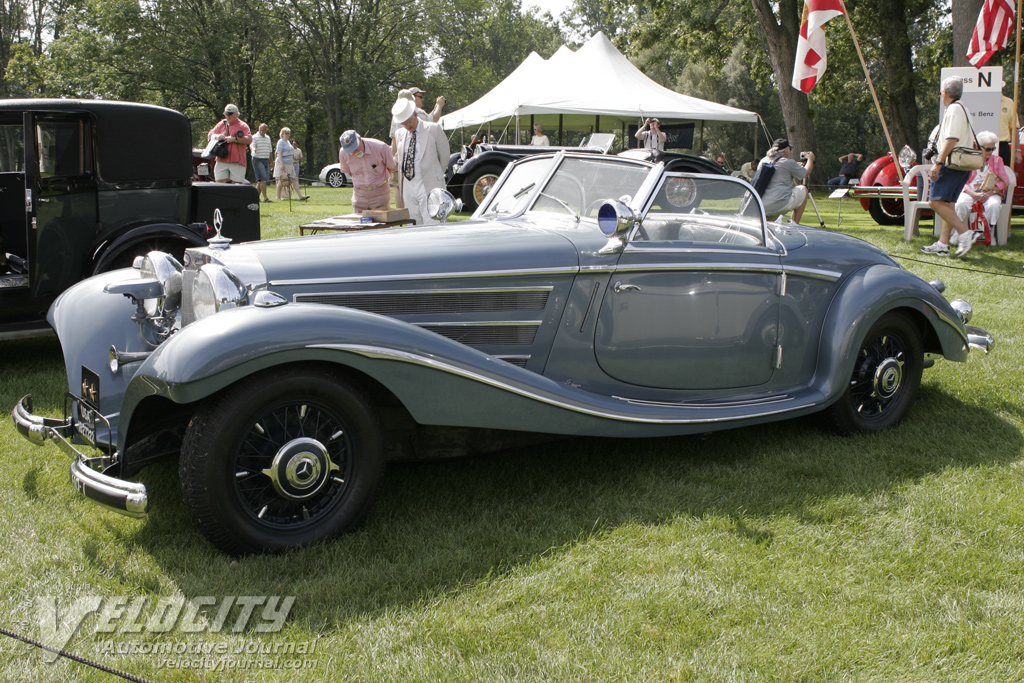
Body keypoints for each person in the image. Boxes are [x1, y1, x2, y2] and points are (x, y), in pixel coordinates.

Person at [921, 76, 980, 258]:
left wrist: (937, 163)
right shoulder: (962, 109)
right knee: (947, 203)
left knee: (935, 202)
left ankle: (965, 233)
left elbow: (951, 139)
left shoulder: (954, 109)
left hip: (951, 163)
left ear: (944, 93)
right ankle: (943, 244)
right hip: (961, 164)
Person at [392, 97, 449, 226]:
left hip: (428, 183)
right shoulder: (399, 134)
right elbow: (399, 157)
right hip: (408, 185)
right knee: (412, 222)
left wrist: (435, 175)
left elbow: (444, 156)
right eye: (403, 123)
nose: (407, 126)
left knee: (432, 222)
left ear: (415, 114)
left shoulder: (433, 129)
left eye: (409, 122)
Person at [952, 130, 1007, 240]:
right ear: (978, 147)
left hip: (990, 192)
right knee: (961, 204)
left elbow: (1004, 180)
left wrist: (991, 192)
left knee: (994, 205)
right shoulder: (969, 159)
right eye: (987, 149)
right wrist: (973, 194)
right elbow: (962, 181)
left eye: (993, 149)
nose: (990, 152)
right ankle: (958, 232)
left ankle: (989, 233)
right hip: (970, 191)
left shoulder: (997, 160)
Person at [757, 138, 815, 223]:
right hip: (779, 204)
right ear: (786, 150)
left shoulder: (763, 160)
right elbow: (805, 174)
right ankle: (795, 224)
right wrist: (810, 159)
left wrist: (795, 166)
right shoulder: (788, 162)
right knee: (804, 189)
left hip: (760, 205)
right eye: (790, 149)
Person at [338, 130, 396, 212]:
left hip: (380, 193)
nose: (354, 152)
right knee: (359, 223)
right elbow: (350, 172)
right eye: (351, 150)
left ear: (360, 139)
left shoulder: (380, 147)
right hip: (359, 194)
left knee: (381, 222)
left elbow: (391, 167)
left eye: (356, 148)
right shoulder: (343, 153)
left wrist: (378, 180)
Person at [207, 104, 252, 184]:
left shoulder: (243, 125)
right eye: (226, 114)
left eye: (230, 114)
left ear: (236, 115)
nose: (227, 116)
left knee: (236, 186)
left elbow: (249, 139)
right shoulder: (222, 124)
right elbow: (210, 134)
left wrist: (234, 139)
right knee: (219, 184)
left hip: (237, 161)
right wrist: (217, 136)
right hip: (221, 160)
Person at [274, 127, 308, 201]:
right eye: (286, 133)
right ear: (282, 134)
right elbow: (279, 153)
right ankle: (278, 196)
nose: (288, 135)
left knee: (294, 179)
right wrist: (282, 164)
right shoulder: (281, 142)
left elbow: (290, 151)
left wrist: (293, 156)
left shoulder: (288, 142)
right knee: (282, 180)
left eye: (288, 133)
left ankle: (300, 196)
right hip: (283, 163)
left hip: (290, 163)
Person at [249, 122, 273, 202]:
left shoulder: (268, 138)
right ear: (259, 129)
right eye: (261, 130)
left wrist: (271, 162)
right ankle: (265, 198)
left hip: (266, 160)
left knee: (261, 180)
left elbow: (270, 150)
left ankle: (255, 197)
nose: (262, 131)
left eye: (264, 130)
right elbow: (252, 145)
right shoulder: (255, 137)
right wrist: (253, 150)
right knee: (262, 179)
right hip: (257, 159)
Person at [999, 88, 1018, 169]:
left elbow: (1014, 127)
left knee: (1004, 178)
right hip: (982, 147)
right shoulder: (982, 100)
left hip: (1002, 146)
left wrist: (1017, 150)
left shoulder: (1009, 102)